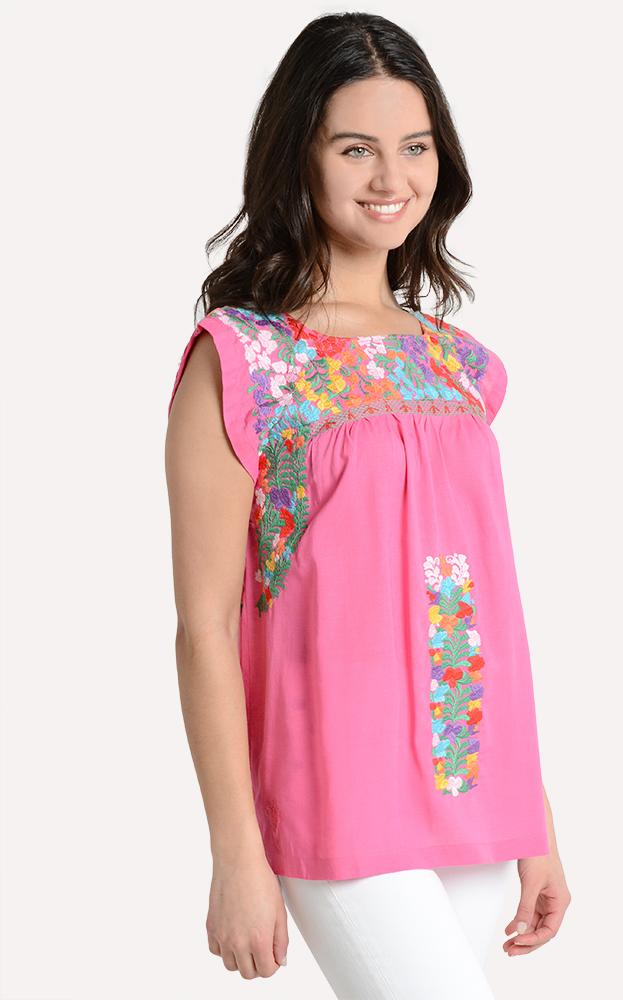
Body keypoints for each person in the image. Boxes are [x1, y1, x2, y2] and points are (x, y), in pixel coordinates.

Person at [164, 12, 571, 998]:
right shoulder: (247, 360)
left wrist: (540, 823)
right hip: (335, 789)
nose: (392, 178)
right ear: (297, 156)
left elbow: (482, 609)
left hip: (476, 783)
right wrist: (235, 851)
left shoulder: (463, 368)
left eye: (415, 147)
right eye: (356, 148)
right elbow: (205, 625)